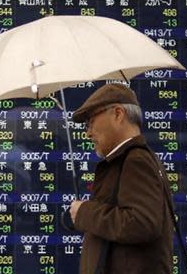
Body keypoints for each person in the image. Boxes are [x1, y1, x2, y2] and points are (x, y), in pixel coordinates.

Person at [69, 84, 174, 273]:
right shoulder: (127, 159)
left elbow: (141, 223)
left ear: (118, 114)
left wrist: (85, 212)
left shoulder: (136, 160)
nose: (88, 133)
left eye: (91, 121)